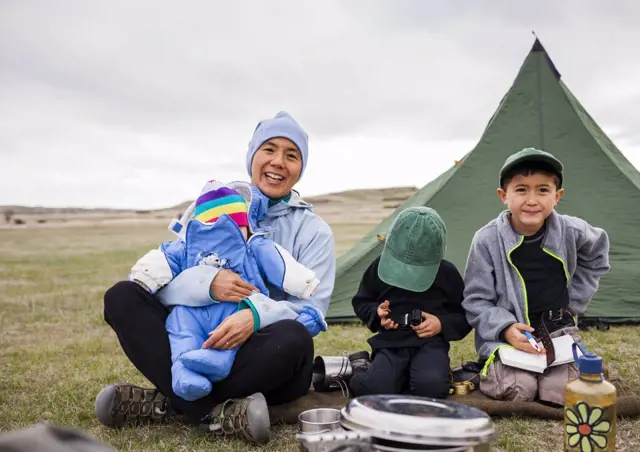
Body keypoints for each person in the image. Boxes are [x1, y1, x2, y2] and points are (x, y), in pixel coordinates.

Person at [96, 111, 336, 443]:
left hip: (264, 355)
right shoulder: (212, 206)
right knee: (122, 297)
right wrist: (206, 285)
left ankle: (169, 402)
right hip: (198, 338)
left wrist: (255, 316)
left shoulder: (314, 231)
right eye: (269, 149)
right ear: (252, 155)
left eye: (291, 155)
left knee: (294, 337)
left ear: (301, 168)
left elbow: (313, 312)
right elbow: (160, 284)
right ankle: (215, 415)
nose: (278, 162)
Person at [128, 179, 321, 402]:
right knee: (128, 299)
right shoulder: (184, 249)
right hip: (190, 316)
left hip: (251, 332)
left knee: (293, 335)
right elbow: (153, 276)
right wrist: (206, 283)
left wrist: (262, 310)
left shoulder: (261, 245)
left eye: (235, 227)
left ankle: (189, 397)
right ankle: (187, 379)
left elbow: (286, 272)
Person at [462, 147, 610, 406]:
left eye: (542, 190)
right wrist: (506, 329)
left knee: (558, 393)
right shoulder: (486, 240)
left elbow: (598, 252)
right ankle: (506, 368)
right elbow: (476, 300)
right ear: (503, 196)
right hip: (510, 338)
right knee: (519, 389)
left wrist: (573, 302)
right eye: (521, 189)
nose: (532, 200)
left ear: (557, 196)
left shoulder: (572, 231)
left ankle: (557, 370)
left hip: (559, 331)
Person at [348, 206, 471, 399]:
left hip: (430, 345)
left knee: (431, 388)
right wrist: (376, 313)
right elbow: (361, 301)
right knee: (371, 391)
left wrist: (441, 324)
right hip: (391, 343)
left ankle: (409, 376)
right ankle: (361, 365)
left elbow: (464, 315)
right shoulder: (379, 267)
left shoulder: (447, 273)